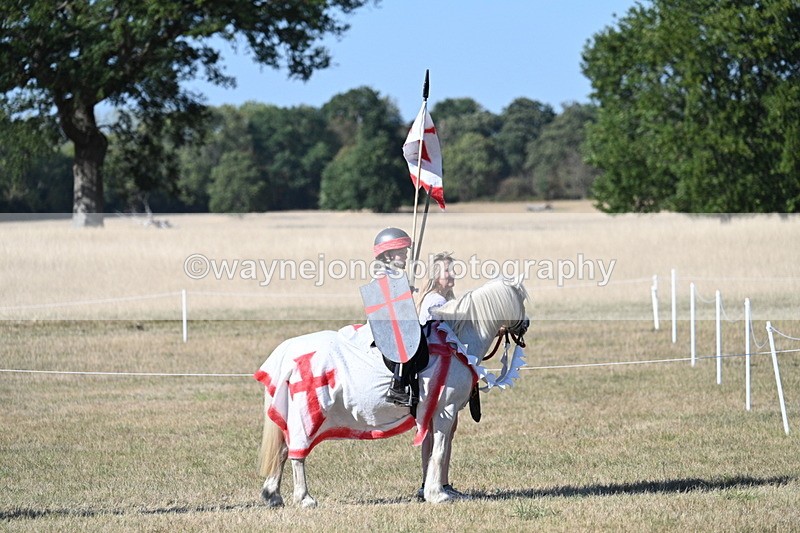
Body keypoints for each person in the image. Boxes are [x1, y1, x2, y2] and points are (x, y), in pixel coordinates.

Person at [416, 252, 465, 499]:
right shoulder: (434, 301)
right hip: (432, 374)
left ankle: (441, 482)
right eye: (448, 271)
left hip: (443, 371)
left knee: (447, 428)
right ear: (436, 277)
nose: (453, 275)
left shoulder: (445, 299)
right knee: (437, 428)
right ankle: (430, 483)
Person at [371, 227, 419, 406]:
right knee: (406, 341)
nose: (406, 255)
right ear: (388, 255)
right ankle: (397, 386)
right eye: (401, 252)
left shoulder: (396, 274)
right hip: (385, 325)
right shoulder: (382, 273)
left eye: (405, 251)